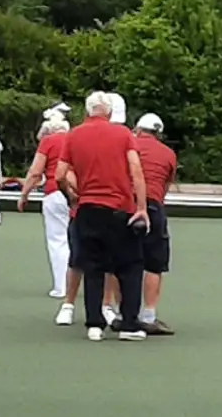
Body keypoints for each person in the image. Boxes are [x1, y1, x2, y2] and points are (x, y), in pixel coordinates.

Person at [56, 91, 149, 341]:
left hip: (88, 209)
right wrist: (141, 207)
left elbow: (59, 174)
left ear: (88, 111)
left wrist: (72, 196)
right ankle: (129, 323)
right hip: (120, 208)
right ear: (108, 112)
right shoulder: (123, 134)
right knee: (130, 266)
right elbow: (136, 170)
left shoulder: (73, 135)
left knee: (93, 267)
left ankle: (94, 325)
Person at [21, 106, 76, 308]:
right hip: (77, 193)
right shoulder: (74, 139)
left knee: (57, 240)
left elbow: (36, 172)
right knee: (75, 238)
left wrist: (24, 194)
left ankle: (61, 286)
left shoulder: (48, 142)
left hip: (54, 192)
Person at [133, 111, 179, 334]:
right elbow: (165, 188)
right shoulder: (169, 154)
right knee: (154, 264)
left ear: (138, 129)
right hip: (153, 206)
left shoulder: (128, 144)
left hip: (125, 204)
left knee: (117, 261)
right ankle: (149, 315)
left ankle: (116, 312)